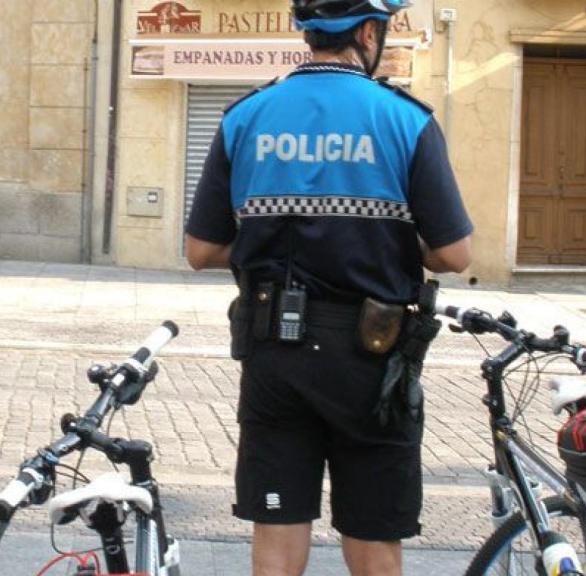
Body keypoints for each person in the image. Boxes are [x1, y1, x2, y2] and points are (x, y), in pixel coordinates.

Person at [184, 1, 473, 575]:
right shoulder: (404, 119)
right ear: (367, 32)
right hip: (370, 359)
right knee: (371, 538)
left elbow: (200, 250)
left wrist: (267, 238)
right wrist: (386, 241)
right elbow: (455, 255)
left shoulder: (247, 115)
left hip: (273, 354)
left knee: (278, 530)